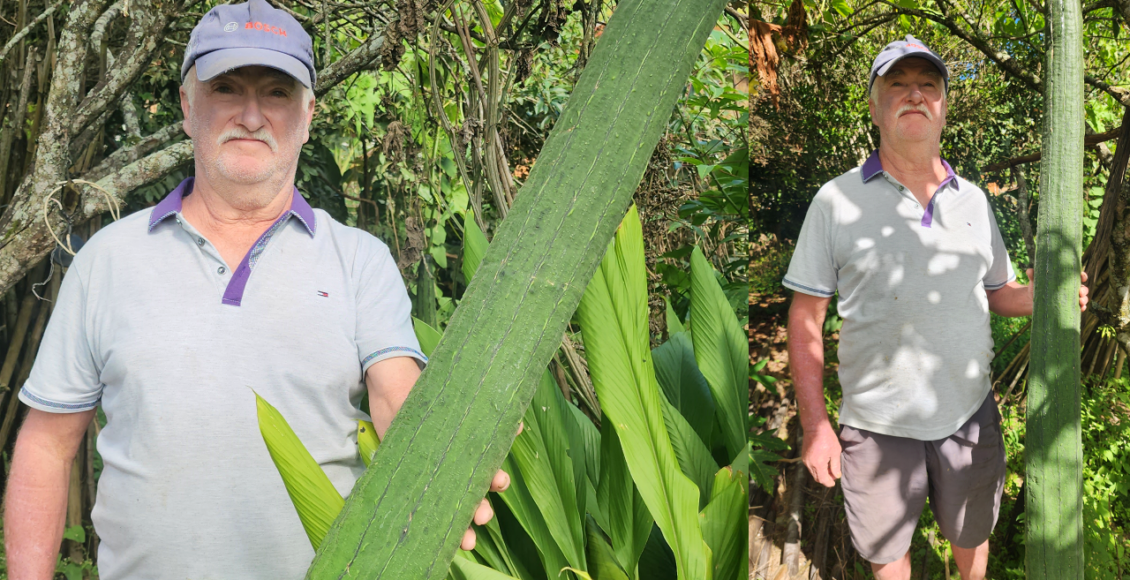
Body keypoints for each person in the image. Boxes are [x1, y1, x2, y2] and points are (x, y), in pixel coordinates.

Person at [2, 1, 514, 578]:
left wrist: (452, 453)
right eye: (226, 87)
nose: (251, 115)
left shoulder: (358, 261)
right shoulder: (106, 261)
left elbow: (398, 400)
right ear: (188, 106)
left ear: (309, 113)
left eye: (276, 92)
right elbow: (46, 448)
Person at [782, 35, 1088, 580]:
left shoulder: (973, 200)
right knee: (887, 555)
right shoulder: (836, 201)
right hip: (874, 426)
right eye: (897, 84)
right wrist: (815, 425)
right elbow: (806, 317)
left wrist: (1046, 300)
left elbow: (999, 294)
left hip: (967, 415)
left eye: (928, 85)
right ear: (875, 106)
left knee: (972, 535)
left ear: (945, 105)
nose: (914, 95)